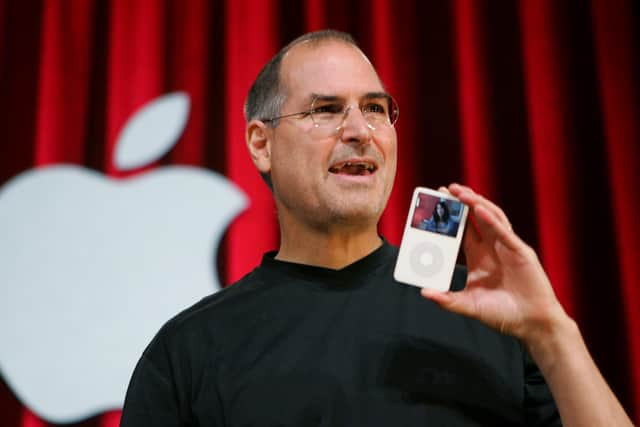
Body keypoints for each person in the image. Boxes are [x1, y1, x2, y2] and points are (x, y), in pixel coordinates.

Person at [120, 30, 634, 426]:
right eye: (325, 110)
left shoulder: (493, 314)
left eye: (375, 109)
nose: (359, 131)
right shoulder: (187, 352)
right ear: (261, 144)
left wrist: (551, 333)